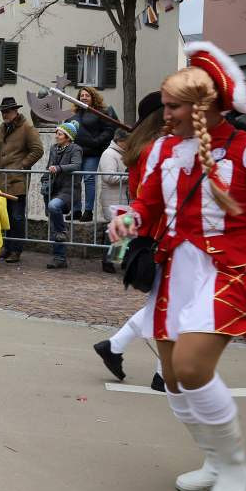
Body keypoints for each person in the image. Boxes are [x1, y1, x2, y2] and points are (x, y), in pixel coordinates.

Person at [108, 41, 246, 491]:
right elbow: (149, 206)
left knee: (190, 367)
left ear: (202, 107)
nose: (162, 116)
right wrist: (129, 222)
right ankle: (212, 460)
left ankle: (234, 467)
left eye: (171, 107)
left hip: (232, 269)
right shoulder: (165, 150)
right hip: (176, 269)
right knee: (172, 377)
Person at [93, 92, 167, 391]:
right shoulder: (154, 149)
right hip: (159, 231)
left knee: (165, 304)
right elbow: (154, 195)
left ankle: (117, 346)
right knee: (168, 305)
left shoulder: (145, 147)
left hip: (153, 228)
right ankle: (162, 373)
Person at [0, 98, 43, 265]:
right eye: (3, 112)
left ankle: (16, 250)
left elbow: (38, 150)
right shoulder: (1, 128)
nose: (4, 114)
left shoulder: (27, 128)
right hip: (1, 179)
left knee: (17, 216)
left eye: (7, 111)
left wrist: (22, 165)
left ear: (15, 111)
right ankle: (7, 246)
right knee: (5, 216)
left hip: (17, 180)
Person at [68, 87, 119, 222]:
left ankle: (88, 211)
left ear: (93, 97)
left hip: (93, 153)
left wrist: (96, 142)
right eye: (81, 95)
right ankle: (76, 209)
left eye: (87, 95)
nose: (84, 97)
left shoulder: (101, 113)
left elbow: (108, 130)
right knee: (75, 180)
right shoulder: (74, 115)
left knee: (89, 179)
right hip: (77, 153)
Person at [42, 121, 83, 269]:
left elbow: (76, 165)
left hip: (69, 188)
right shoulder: (54, 148)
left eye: (59, 134)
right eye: (57, 133)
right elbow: (49, 166)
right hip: (53, 188)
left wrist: (58, 168)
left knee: (54, 207)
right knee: (52, 223)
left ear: (67, 137)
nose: (56, 136)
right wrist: (44, 181)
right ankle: (59, 257)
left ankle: (62, 230)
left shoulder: (75, 149)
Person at [97, 129, 129, 273]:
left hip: (121, 196)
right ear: (120, 141)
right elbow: (109, 177)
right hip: (112, 197)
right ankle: (108, 261)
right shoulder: (109, 154)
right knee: (115, 228)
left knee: (123, 228)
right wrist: (130, 176)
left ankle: (119, 260)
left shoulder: (121, 154)